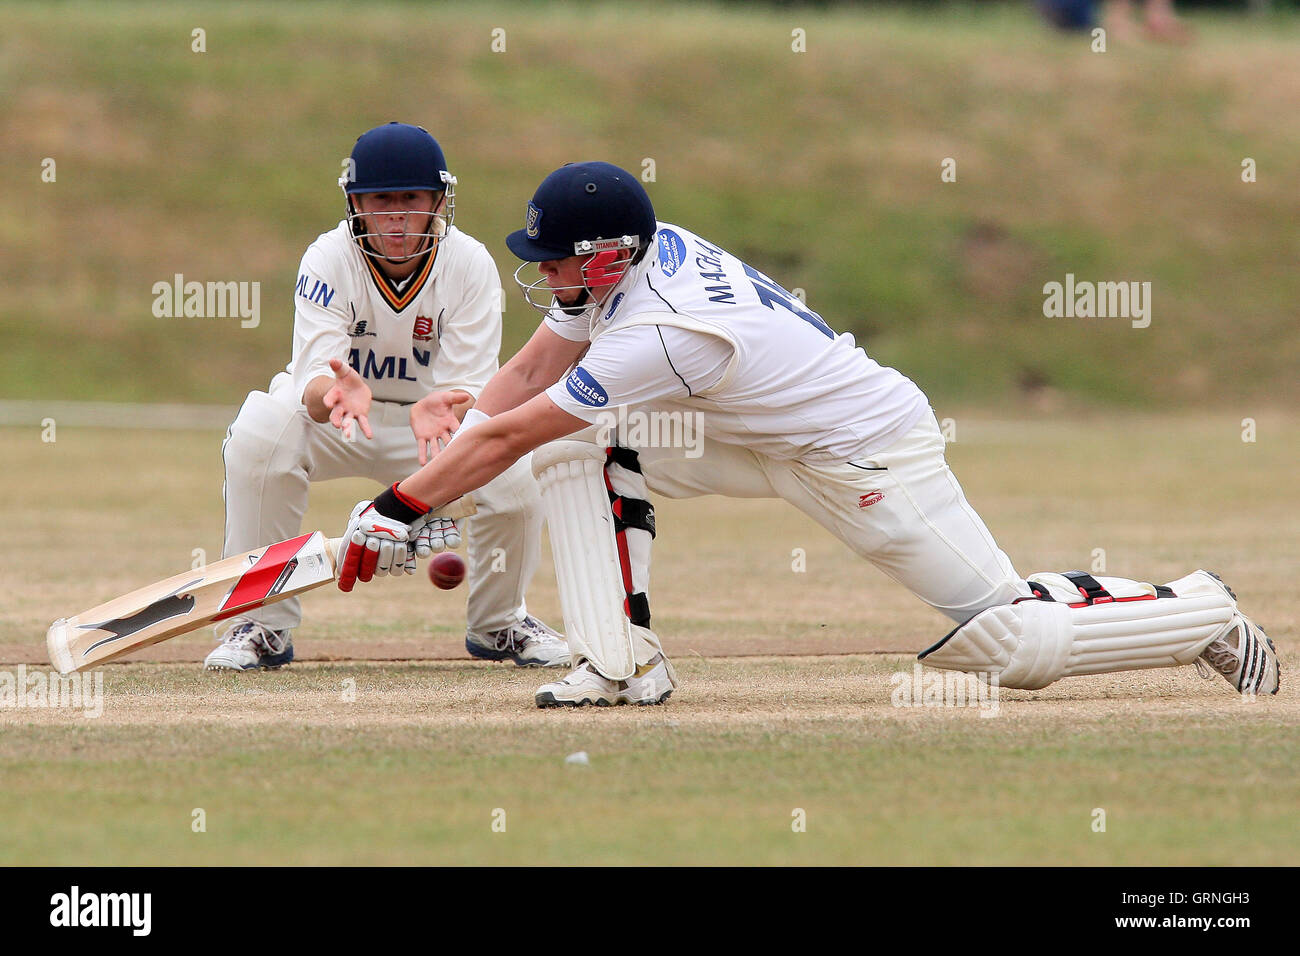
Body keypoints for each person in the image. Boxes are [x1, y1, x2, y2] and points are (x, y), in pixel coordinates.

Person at [333, 161, 1279, 706]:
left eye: (555, 262)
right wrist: (458, 407)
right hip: (753, 436)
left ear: (609, 257)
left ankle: (1199, 608)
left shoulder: (663, 331)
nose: (544, 274)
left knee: (1010, 643)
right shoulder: (632, 263)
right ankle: (620, 666)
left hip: (860, 451)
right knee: (585, 443)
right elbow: (531, 376)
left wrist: (394, 508)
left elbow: (510, 438)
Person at [207, 123, 567, 671]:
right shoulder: (328, 257)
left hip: (435, 430)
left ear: (439, 201)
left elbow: (477, 388)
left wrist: (448, 404)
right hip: (344, 419)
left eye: (411, 199)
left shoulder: (468, 263)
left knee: (517, 469)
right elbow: (310, 382)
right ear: (355, 203)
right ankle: (261, 622)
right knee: (260, 433)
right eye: (381, 200)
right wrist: (336, 394)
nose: (397, 217)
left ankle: (500, 623)